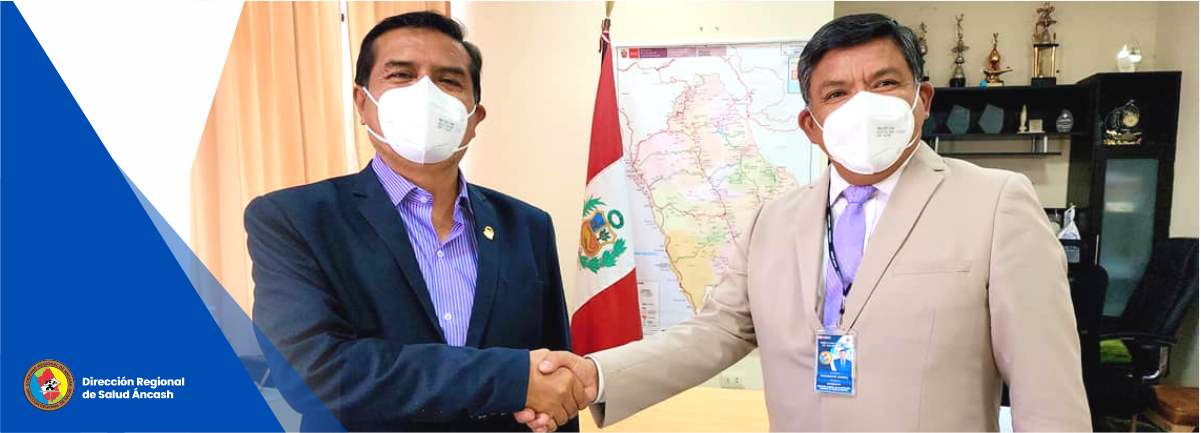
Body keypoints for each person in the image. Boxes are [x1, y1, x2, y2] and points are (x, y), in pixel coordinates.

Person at [518, 13, 1090, 432]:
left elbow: (1047, 388)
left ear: (922, 99)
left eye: (885, 83)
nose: (863, 104)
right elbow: (718, 332)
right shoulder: (774, 220)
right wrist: (594, 375)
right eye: (837, 93)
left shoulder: (996, 203)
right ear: (811, 125)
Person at [246, 11, 587, 432]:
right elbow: (313, 373)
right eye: (402, 75)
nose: (426, 93)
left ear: (474, 118)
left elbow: (554, 383)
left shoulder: (528, 226)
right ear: (362, 103)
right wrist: (512, 379)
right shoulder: (294, 219)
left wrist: (542, 389)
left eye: (449, 80)